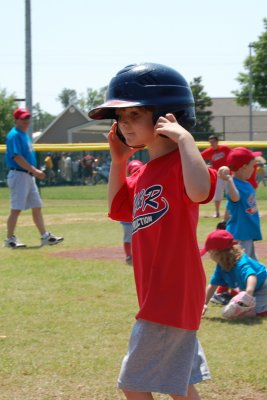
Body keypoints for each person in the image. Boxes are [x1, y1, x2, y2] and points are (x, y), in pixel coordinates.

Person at [89, 63, 217, 400]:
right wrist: (118, 162)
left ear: (165, 116)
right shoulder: (144, 170)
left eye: (134, 115)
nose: (123, 124)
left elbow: (201, 191)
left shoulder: (183, 163)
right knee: (179, 386)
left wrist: (186, 140)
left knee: (134, 383)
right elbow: (119, 208)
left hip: (170, 294)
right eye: (120, 118)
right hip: (159, 293)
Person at [4, 108, 64, 248]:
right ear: (16, 120)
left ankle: (45, 236)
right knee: (16, 209)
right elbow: (16, 156)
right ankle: (9, 239)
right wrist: (34, 171)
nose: (26, 121)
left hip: (27, 175)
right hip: (19, 174)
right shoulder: (14, 135)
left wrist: (34, 172)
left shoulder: (24, 134)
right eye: (22, 119)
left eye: (27, 119)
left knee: (37, 206)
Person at [201, 229, 267, 318]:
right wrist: (204, 303)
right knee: (231, 312)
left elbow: (252, 277)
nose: (209, 255)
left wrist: (248, 294)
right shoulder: (221, 265)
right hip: (252, 289)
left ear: (218, 253)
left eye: (210, 252)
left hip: (263, 287)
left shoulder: (240, 262)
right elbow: (213, 285)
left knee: (248, 314)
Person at [218, 147, 262, 260]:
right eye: (253, 166)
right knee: (243, 264)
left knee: (252, 263)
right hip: (240, 233)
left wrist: (224, 221)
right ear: (244, 167)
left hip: (247, 231)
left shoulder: (246, 184)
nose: (254, 169)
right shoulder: (233, 183)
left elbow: (229, 207)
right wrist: (229, 180)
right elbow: (235, 198)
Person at [201, 135, 231, 218]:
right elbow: (199, 157)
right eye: (210, 142)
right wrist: (206, 166)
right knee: (217, 195)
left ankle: (230, 212)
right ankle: (217, 212)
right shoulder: (209, 151)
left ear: (217, 141)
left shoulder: (224, 149)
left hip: (227, 175)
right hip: (218, 176)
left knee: (230, 194)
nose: (212, 144)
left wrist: (231, 167)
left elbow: (232, 157)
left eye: (213, 142)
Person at [120, 160, 144, 265]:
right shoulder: (126, 183)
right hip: (128, 217)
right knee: (128, 237)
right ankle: (129, 256)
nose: (136, 173)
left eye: (138, 170)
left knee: (142, 238)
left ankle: (140, 255)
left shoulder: (145, 182)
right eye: (133, 171)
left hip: (139, 215)